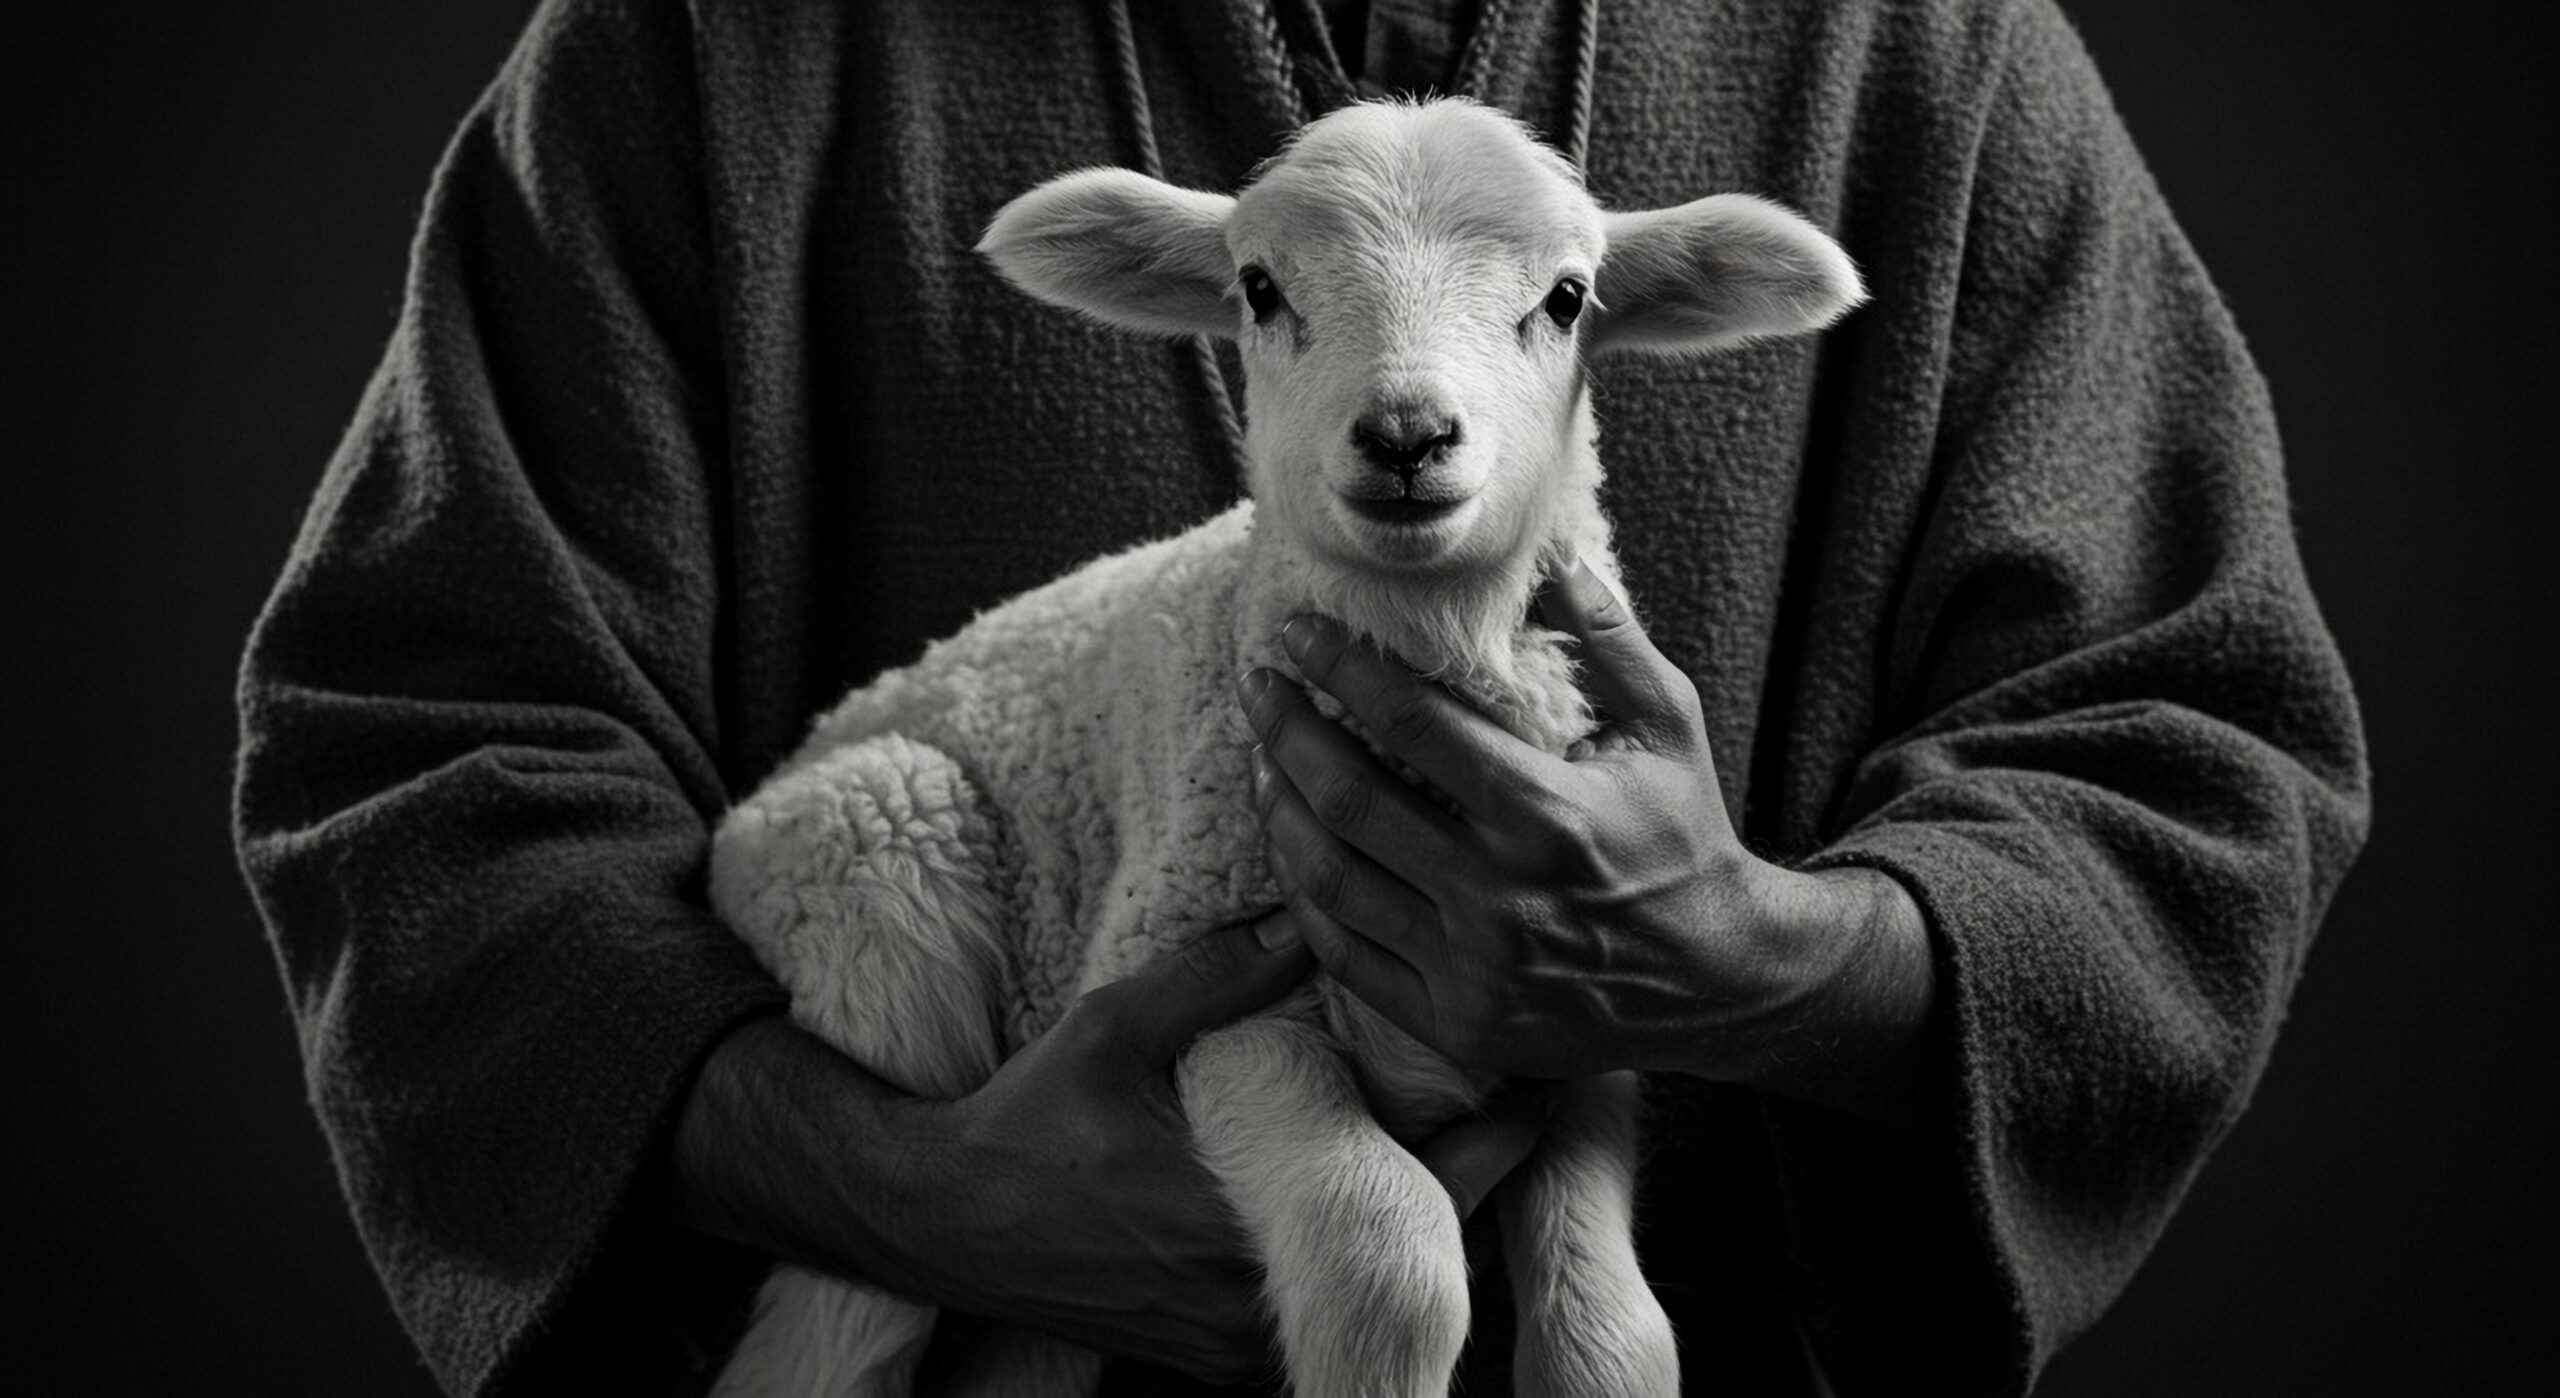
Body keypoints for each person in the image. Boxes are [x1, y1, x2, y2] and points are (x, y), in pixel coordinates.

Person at [232, 0, 2370, 1394]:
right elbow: (423, 750)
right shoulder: (702, 54)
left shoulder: (1929, 58)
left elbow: (2179, 742)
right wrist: (888, 1184)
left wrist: (1766, 960)